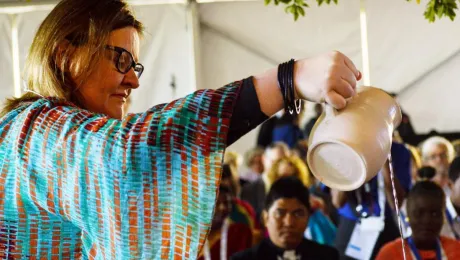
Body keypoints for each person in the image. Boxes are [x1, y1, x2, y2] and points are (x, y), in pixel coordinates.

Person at [0, 0, 361, 258]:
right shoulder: (33, 133)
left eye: (136, 66)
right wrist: (287, 80)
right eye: (120, 59)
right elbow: (128, 151)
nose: (132, 81)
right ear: (66, 56)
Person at [332, 142, 412, 260]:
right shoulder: (340, 149)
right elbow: (338, 201)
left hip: (386, 225)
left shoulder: (399, 151)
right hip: (352, 226)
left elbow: (396, 204)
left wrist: (383, 160)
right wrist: (349, 157)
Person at [232, 177, 339, 260]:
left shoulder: (328, 256)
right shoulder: (244, 259)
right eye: (280, 213)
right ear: (265, 218)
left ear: (308, 218)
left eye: (298, 214)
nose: (289, 223)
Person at [376, 181, 460, 260]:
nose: (427, 221)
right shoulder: (390, 254)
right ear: (408, 215)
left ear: (443, 217)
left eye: (434, 213)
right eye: (419, 213)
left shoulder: (456, 250)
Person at [198, 164, 255, 260]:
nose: (222, 208)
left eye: (226, 203)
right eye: (216, 203)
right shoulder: (187, 237)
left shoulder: (239, 232)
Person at [240, 142, 290, 221]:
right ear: (264, 159)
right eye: (274, 162)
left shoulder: (294, 187)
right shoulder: (249, 190)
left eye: (283, 162)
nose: (279, 167)